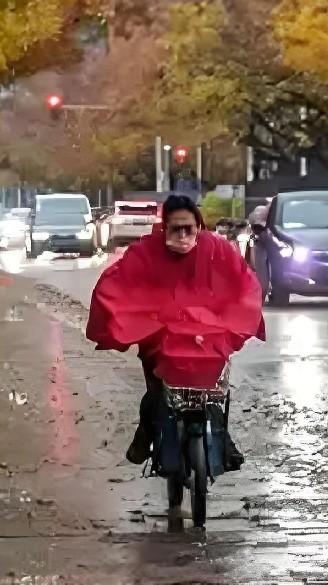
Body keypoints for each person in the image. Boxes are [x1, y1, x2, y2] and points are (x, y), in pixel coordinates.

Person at [86, 193, 264, 469]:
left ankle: (222, 440)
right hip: (161, 338)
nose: (182, 235)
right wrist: (142, 319)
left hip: (207, 338)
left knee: (213, 394)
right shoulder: (145, 253)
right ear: (163, 228)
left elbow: (241, 283)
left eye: (188, 229)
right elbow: (120, 284)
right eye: (175, 229)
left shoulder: (218, 250)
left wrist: (229, 317)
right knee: (158, 393)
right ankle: (146, 434)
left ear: (199, 227)